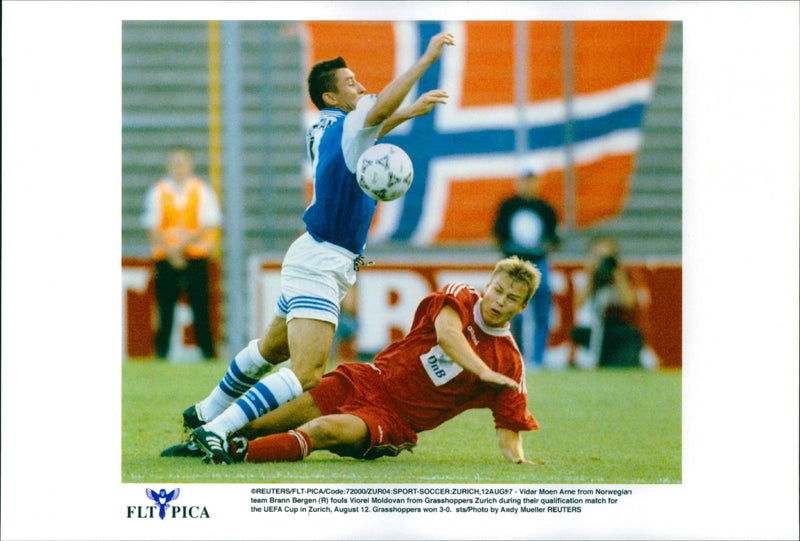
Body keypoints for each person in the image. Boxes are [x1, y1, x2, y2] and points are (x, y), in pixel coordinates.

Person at [183, 32, 456, 457]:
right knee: (307, 371)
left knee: (272, 349)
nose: (361, 87)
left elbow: (369, 128)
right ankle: (219, 428)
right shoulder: (347, 124)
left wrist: (408, 113)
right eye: (351, 83)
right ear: (330, 95)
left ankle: (206, 409)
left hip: (314, 251)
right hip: (322, 260)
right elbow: (375, 112)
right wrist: (425, 59)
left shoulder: (324, 127)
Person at [166, 257, 540, 465]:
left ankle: (236, 456)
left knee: (325, 429)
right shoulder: (460, 296)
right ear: (488, 284)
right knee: (262, 422)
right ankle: (209, 440)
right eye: (498, 290)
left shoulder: (509, 363)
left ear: (522, 308)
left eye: (511, 299)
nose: (499, 301)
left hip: (393, 420)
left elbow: (508, 424)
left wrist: (517, 461)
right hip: (367, 378)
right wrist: (481, 370)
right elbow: (448, 335)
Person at [140, 145, 221, 360]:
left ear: (190, 164)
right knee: (164, 310)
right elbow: (152, 227)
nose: (179, 167)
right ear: (169, 165)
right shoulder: (158, 191)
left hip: (195, 257)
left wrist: (182, 247)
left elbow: (209, 224)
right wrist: (171, 251)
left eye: (182, 163)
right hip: (165, 259)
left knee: (201, 308)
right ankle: (161, 354)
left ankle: (208, 354)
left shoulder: (202, 190)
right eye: (175, 163)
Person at [493, 168, 560, 368]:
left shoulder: (545, 208)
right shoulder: (508, 206)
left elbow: (554, 239)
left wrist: (540, 247)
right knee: (514, 312)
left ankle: (538, 358)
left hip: (538, 264)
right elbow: (498, 235)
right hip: (514, 265)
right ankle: (516, 355)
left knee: (542, 310)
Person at [570, 236, 650, 368]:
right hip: (598, 329)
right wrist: (591, 275)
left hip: (621, 329)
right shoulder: (591, 277)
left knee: (625, 361)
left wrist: (617, 274)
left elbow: (629, 303)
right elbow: (578, 305)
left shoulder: (626, 275)